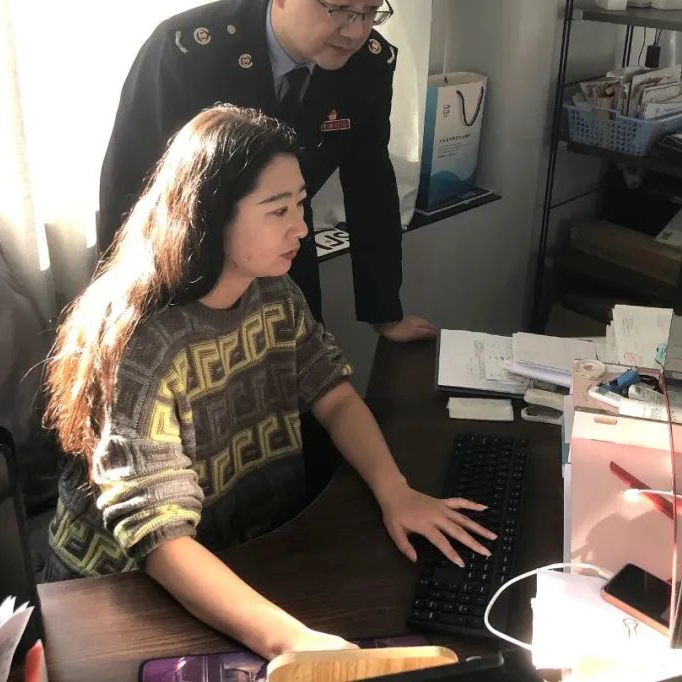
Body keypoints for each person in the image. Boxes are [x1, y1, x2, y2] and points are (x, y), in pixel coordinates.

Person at [46, 106, 493, 659]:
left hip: (239, 559)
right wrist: (291, 641)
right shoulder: (146, 345)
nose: (301, 228)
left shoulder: (274, 293)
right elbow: (161, 541)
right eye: (278, 210)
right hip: (122, 595)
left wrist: (395, 491)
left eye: (300, 204)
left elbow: (333, 395)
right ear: (209, 216)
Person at [97, 0, 434, 344]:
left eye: (371, 10)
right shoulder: (185, 52)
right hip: (188, 268)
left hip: (288, 266)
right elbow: (128, 185)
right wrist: (126, 317)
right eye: (338, 7)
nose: (355, 30)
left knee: (304, 379)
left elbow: (370, 185)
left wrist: (385, 313)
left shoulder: (367, 67)